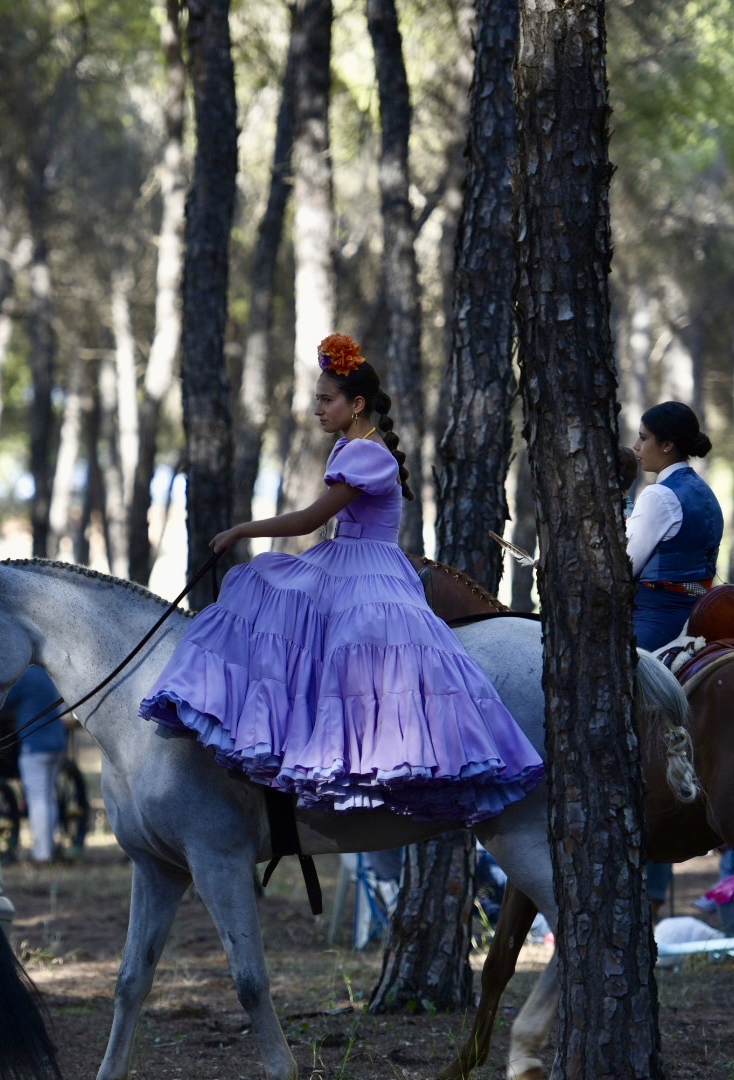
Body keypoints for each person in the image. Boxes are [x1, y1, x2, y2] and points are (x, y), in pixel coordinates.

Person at [138, 333, 544, 823]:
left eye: (326, 401)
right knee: (271, 602)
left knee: (344, 651)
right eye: (317, 400)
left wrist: (244, 529)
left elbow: (310, 520)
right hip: (342, 561)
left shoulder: (367, 454)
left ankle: (362, 761)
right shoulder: (353, 447)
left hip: (368, 570)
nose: (317, 410)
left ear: (356, 404)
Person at [627, 401, 723, 653]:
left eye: (643, 437)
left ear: (667, 445)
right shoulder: (705, 492)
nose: (636, 446)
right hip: (700, 618)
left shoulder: (659, 495)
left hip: (656, 620)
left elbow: (623, 565)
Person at [0, 665, 69, 863]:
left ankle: (42, 853)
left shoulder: (21, 676)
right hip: (57, 742)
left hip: (35, 745)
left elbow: (3, 703)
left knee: (38, 798)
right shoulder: (48, 673)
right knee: (49, 797)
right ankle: (49, 847)